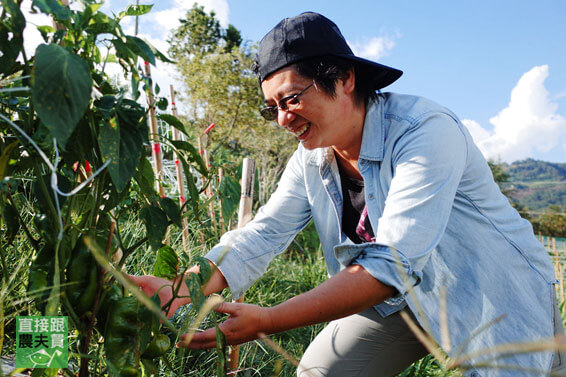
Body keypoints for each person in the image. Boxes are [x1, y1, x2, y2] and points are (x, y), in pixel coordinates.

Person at [131, 12, 565, 377]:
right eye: (272, 108)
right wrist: (183, 285)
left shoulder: (424, 133)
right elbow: (263, 234)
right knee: (320, 371)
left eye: (291, 99)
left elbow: (389, 264)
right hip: (401, 302)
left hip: (489, 291)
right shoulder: (313, 158)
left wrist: (270, 319)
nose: (282, 119)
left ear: (343, 78)